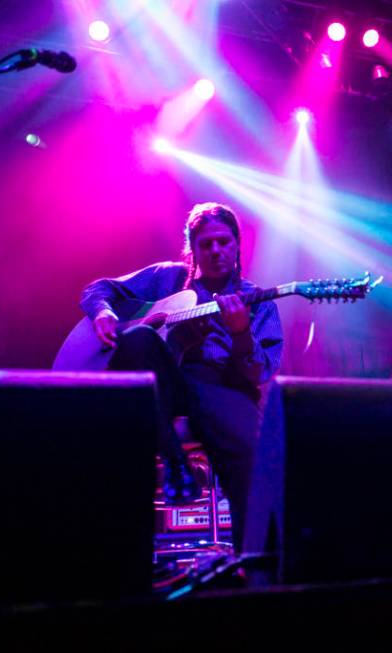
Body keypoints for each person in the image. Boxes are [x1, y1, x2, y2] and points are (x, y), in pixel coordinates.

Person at [80, 202, 283, 550]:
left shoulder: (258, 300)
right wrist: (103, 313)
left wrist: (240, 334)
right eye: (206, 244)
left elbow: (258, 374)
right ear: (193, 248)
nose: (216, 250)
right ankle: (177, 465)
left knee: (254, 459)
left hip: (224, 387)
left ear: (237, 245)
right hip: (166, 385)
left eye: (224, 241)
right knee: (140, 338)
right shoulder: (167, 278)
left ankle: (254, 566)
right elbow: (98, 289)